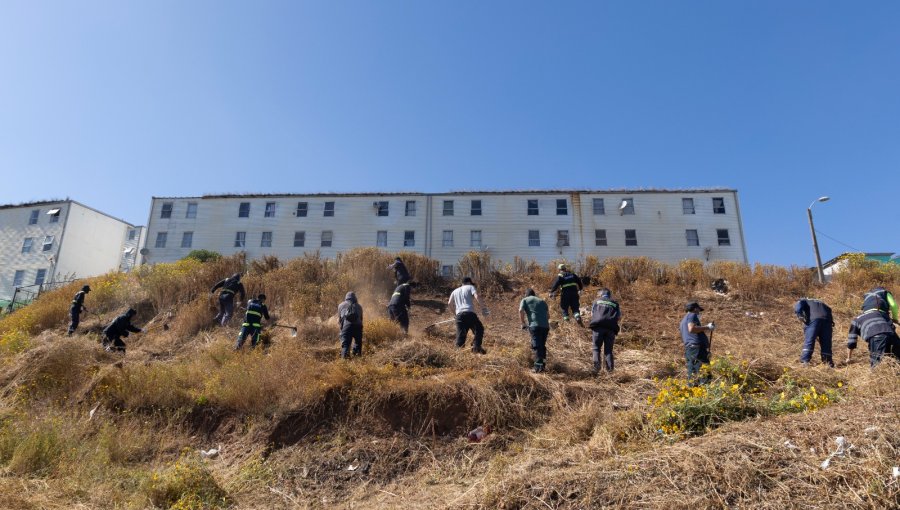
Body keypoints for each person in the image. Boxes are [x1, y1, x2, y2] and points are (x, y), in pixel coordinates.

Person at [448, 277, 487, 354]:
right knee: (479, 329)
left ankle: (458, 353)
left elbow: (449, 303)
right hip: (469, 313)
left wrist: (455, 314)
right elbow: (477, 296)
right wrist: (484, 308)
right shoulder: (470, 287)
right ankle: (476, 347)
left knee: (461, 335)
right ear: (469, 282)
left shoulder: (455, 291)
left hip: (459, 316)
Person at [680, 301, 714, 384]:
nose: (699, 312)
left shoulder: (683, 321)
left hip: (690, 349)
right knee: (705, 372)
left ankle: (692, 390)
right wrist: (707, 327)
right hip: (697, 349)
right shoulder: (692, 315)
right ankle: (706, 390)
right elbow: (691, 329)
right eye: (699, 310)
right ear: (695, 309)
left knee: (693, 373)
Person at [588, 288, 621, 374]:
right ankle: (610, 371)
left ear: (601, 294)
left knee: (596, 348)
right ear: (610, 295)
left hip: (598, 327)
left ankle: (596, 368)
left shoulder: (596, 301)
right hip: (611, 329)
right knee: (608, 351)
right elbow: (618, 317)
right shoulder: (615, 303)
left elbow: (592, 314)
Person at [794, 297, 834, 367]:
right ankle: (828, 363)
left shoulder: (805, 300)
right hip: (827, 321)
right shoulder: (824, 304)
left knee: (810, 340)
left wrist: (800, 315)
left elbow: (799, 305)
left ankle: (805, 361)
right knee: (826, 343)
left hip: (814, 319)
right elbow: (829, 310)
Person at [519, 288, 550, 373]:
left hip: (535, 326)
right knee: (542, 346)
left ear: (526, 294)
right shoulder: (542, 301)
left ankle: (537, 368)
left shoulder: (525, 300)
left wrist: (523, 323)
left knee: (536, 345)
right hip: (545, 326)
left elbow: (521, 310)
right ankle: (542, 366)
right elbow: (548, 316)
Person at [338, 291, 364, 358]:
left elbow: (340, 320)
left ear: (346, 298)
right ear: (355, 298)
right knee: (358, 343)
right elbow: (361, 319)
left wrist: (342, 331)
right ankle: (357, 359)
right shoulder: (359, 306)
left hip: (347, 326)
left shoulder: (341, 305)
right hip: (358, 326)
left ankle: (345, 361)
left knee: (346, 345)